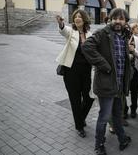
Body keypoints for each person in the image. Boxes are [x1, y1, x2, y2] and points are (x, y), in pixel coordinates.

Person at [81, 8, 132, 155]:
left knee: (117, 115)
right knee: (104, 117)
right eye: (115, 18)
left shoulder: (124, 35)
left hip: (118, 84)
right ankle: (99, 145)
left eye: (121, 19)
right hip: (106, 84)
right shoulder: (103, 33)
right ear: (110, 19)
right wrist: (105, 66)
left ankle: (122, 139)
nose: (117, 21)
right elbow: (86, 46)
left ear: (125, 21)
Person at [55, 9, 94, 138]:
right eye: (75, 17)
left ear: (84, 19)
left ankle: (80, 118)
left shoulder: (90, 34)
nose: (77, 18)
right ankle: (79, 126)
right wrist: (61, 24)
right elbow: (63, 30)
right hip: (71, 70)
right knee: (75, 99)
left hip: (86, 71)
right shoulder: (71, 31)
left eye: (80, 16)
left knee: (89, 97)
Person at [124, 22, 138, 118]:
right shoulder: (119, 39)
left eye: (128, 28)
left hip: (134, 69)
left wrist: (133, 50)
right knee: (123, 92)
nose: (127, 30)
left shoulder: (136, 39)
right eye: (125, 28)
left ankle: (133, 109)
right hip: (122, 70)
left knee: (134, 91)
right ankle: (124, 109)